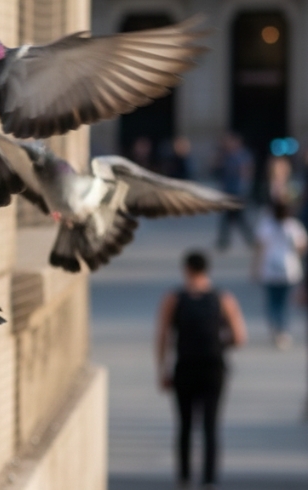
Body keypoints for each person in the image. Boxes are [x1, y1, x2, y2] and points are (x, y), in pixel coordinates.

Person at [156, 251, 247, 489]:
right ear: (207, 270)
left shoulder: (174, 298)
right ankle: (208, 479)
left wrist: (162, 370)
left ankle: (184, 477)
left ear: (186, 269)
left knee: (185, 425)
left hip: (184, 367)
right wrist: (218, 343)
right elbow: (239, 337)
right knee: (210, 424)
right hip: (214, 367)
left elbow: (163, 336)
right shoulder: (223, 298)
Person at [253, 200, 307, 349]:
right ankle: (282, 329)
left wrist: (255, 268)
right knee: (282, 303)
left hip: (269, 270)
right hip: (289, 270)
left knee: (272, 302)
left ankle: (277, 328)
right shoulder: (293, 227)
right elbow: (301, 247)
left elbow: (259, 248)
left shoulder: (266, 226)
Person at [214, 132, 255, 251]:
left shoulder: (242, 155)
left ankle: (247, 239)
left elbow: (247, 172)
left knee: (239, 218)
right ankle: (224, 241)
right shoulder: (225, 155)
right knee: (229, 218)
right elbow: (216, 168)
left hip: (238, 191)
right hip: (227, 191)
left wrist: (245, 188)